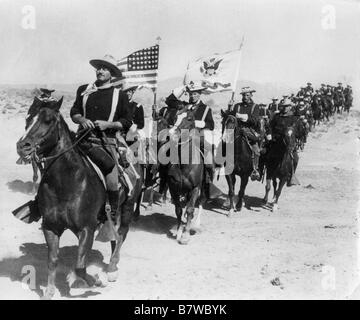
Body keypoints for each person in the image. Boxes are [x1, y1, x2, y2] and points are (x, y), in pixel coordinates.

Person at [70, 54, 132, 222]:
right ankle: (41, 205)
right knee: (57, 162)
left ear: (111, 73)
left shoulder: (120, 95)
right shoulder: (84, 89)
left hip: (105, 143)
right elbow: (74, 111)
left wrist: (108, 125)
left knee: (111, 175)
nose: (100, 71)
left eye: (105, 68)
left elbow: (127, 121)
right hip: (80, 140)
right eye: (99, 68)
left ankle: (110, 213)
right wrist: (81, 119)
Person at [231, 87, 261, 181]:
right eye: (243, 95)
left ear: (251, 95)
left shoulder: (255, 106)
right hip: (237, 130)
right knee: (225, 144)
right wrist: (229, 107)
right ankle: (222, 163)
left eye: (247, 95)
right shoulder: (237, 106)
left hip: (249, 131)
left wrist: (244, 117)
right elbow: (231, 117)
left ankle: (255, 169)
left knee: (256, 150)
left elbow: (255, 121)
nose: (245, 97)